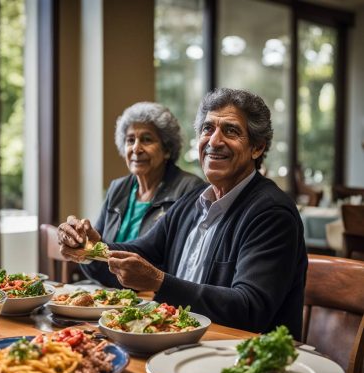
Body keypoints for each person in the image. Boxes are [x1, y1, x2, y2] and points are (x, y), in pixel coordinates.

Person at [58, 88, 307, 340]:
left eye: (231, 131)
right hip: (182, 342)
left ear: (257, 147)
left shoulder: (271, 212)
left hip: (242, 358)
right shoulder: (192, 201)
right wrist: (91, 247)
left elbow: (250, 310)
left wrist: (159, 282)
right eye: (207, 129)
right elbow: (141, 253)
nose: (214, 141)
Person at [91, 101, 204, 244]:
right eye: (130, 140)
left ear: (167, 149)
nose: (136, 149)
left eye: (146, 140)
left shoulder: (189, 189)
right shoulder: (117, 188)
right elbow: (95, 247)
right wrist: (83, 240)